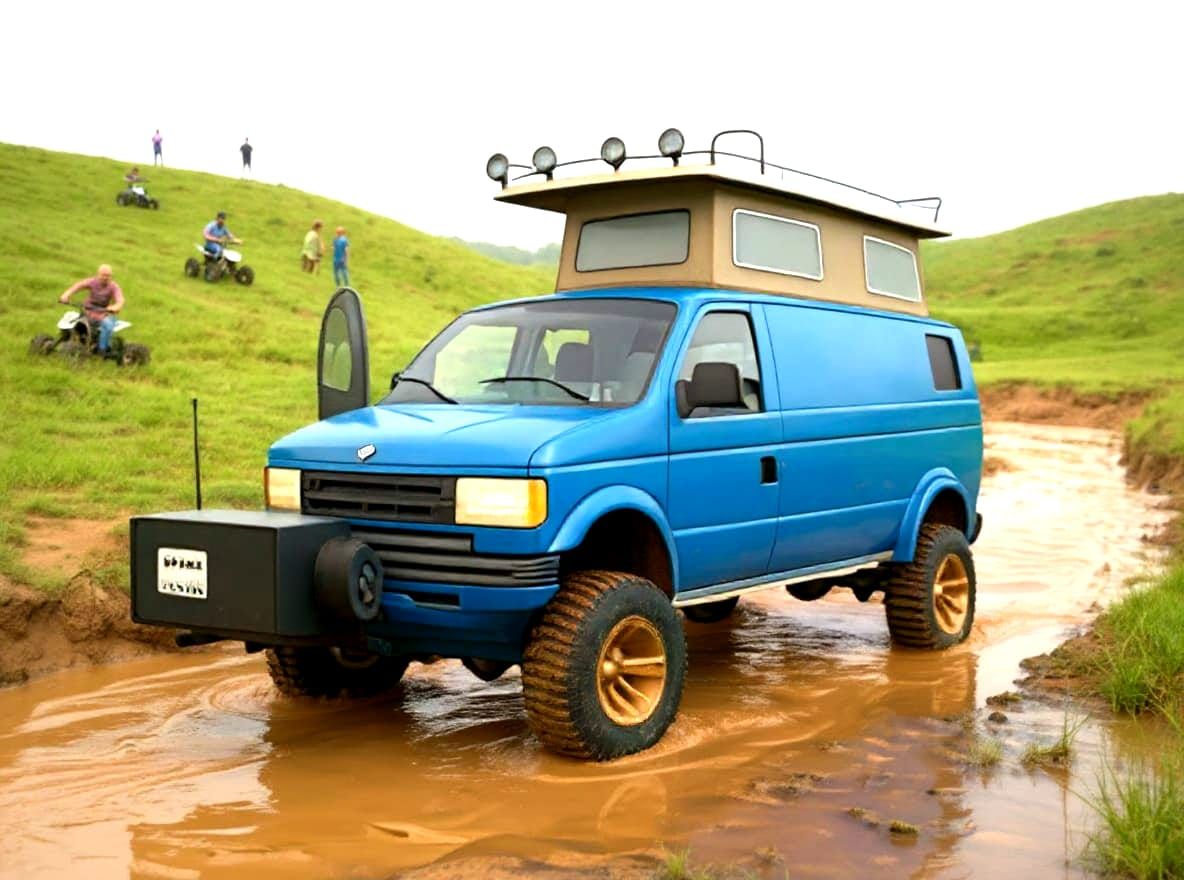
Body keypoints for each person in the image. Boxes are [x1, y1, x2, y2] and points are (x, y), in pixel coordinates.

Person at [58, 264, 125, 355]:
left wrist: (115, 307)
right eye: (103, 275)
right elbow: (78, 285)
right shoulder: (92, 282)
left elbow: (120, 300)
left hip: (103, 313)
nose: (105, 277)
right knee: (68, 320)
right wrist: (66, 295)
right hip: (87, 311)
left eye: (108, 275)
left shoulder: (114, 287)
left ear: (111, 276)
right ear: (98, 274)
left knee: (108, 326)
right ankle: (65, 339)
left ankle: (102, 350)